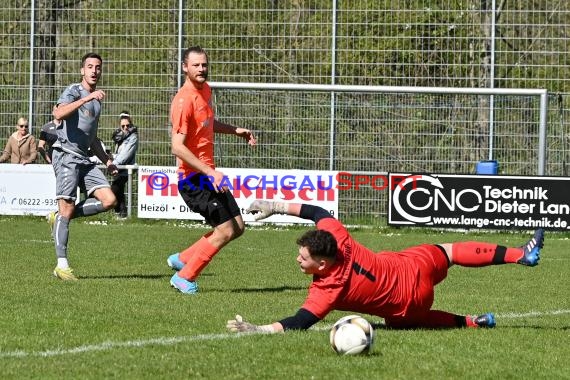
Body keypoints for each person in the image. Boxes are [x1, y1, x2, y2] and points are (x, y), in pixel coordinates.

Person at [226, 200, 545, 333]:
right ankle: (520, 254)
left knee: (398, 323)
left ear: (322, 263)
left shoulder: (327, 292)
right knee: (448, 250)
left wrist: (258, 328)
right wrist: (275, 206)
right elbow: (317, 211)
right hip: (414, 268)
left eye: (303, 257)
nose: (298, 258)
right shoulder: (340, 238)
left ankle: (473, 322)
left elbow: (297, 322)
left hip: (409, 309)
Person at [166, 46, 257, 294]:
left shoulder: (205, 90)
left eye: (204, 64)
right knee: (225, 229)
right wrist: (209, 171)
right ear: (185, 67)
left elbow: (206, 123)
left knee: (237, 227)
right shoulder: (183, 100)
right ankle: (184, 277)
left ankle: (182, 259)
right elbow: (177, 147)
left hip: (207, 175)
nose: (201, 69)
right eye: (196, 65)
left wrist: (235, 130)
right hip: (193, 179)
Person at [47, 52, 119, 281]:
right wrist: (86, 99)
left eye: (98, 67)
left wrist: (107, 160)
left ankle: (59, 216)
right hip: (66, 155)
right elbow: (58, 113)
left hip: (84, 159)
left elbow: (93, 138)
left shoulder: (97, 102)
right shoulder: (74, 91)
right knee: (66, 209)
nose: (94, 70)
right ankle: (62, 265)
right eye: (90, 66)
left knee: (109, 200)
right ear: (82, 70)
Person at [110, 111, 139, 218]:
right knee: (119, 191)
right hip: (119, 167)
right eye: (123, 126)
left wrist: (111, 165)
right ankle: (122, 215)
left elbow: (124, 156)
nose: (125, 128)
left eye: (128, 125)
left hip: (126, 168)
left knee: (114, 189)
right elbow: (118, 154)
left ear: (131, 124)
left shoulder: (133, 137)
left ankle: (119, 212)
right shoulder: (119, 137)